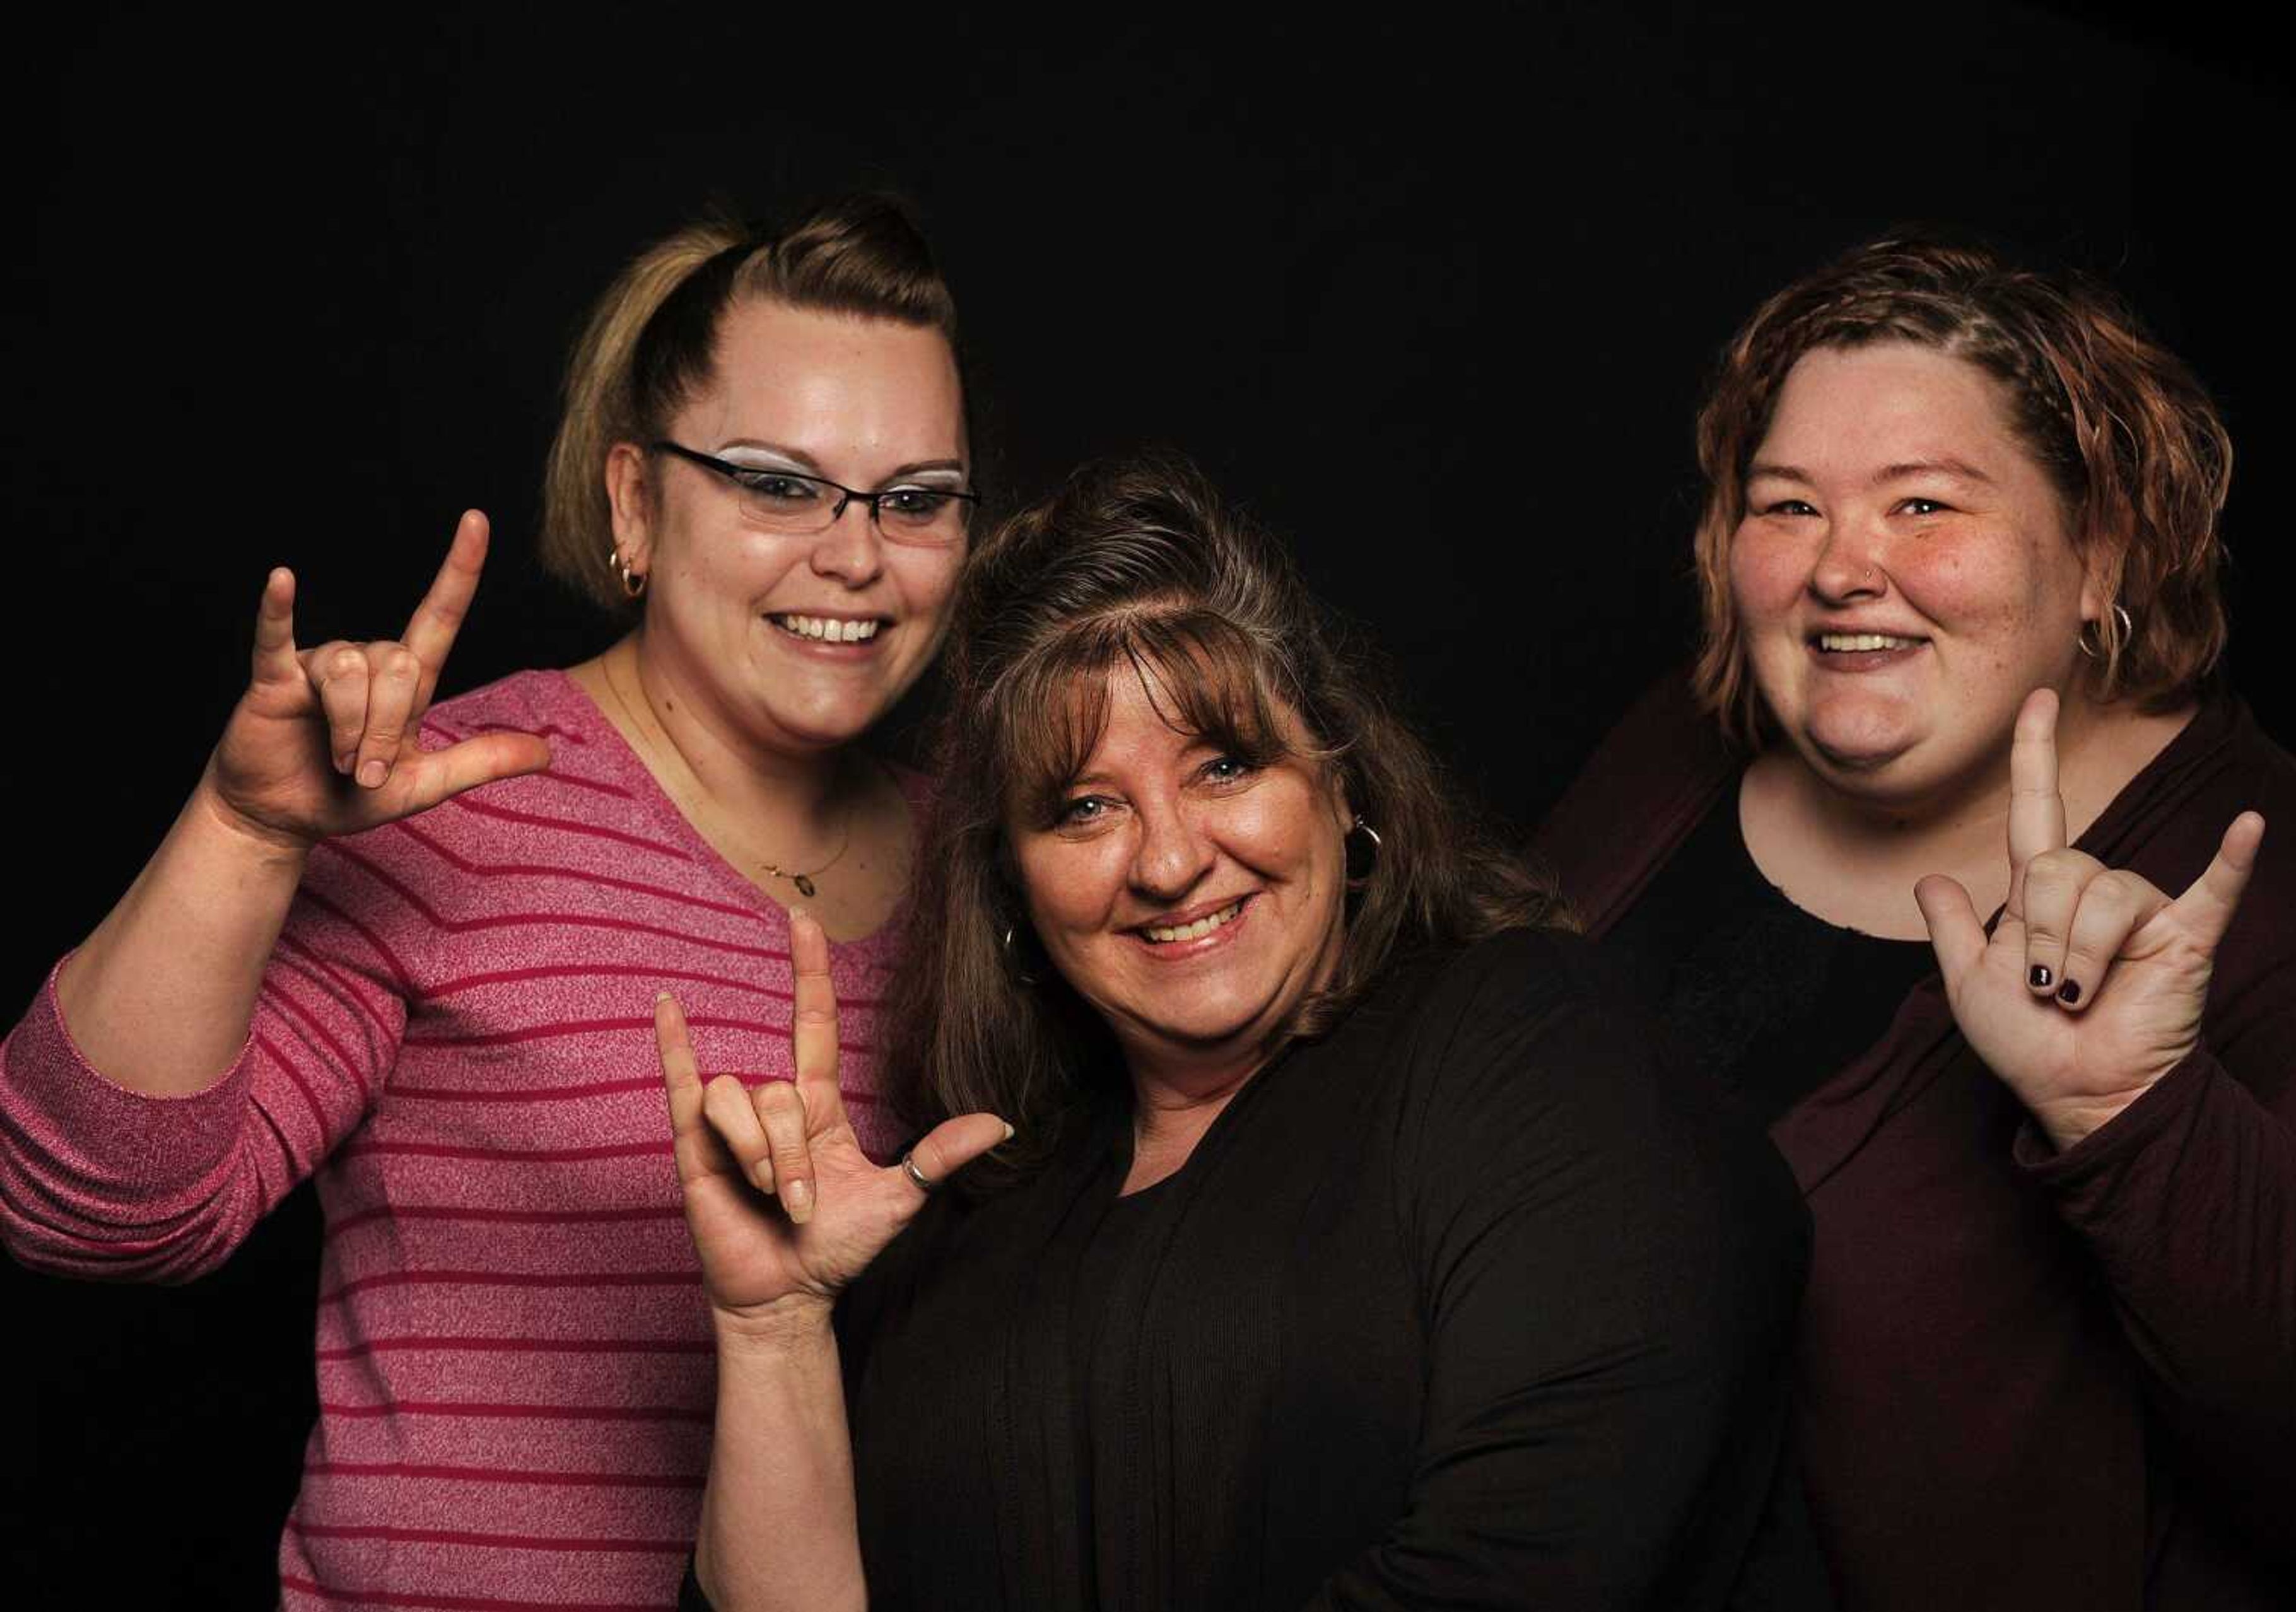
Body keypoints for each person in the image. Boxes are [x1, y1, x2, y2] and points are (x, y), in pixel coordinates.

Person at [0, 196, 978, 1609]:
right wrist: (243, 831)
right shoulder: (456, 801)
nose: (856, 555)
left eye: (917, 497)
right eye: (777, 482)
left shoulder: (994, 857)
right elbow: (89, 1210)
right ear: (637, 502)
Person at [653, 453, 1824, 1611]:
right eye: (1086, 808)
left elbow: (1538, 1573)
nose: (1168, 861)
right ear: (1010, 884)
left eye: (1224, 766)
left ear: (1340, 779)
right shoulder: (971, 1211)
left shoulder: (1541, 1055)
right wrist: (773, 1331)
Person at [1534, 233, 2296, 1609]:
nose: (1841, 570)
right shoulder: (1674, 752)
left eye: (1924, 506)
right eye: (1788, 507)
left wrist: (2133, 1110)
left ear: (2098, 553)